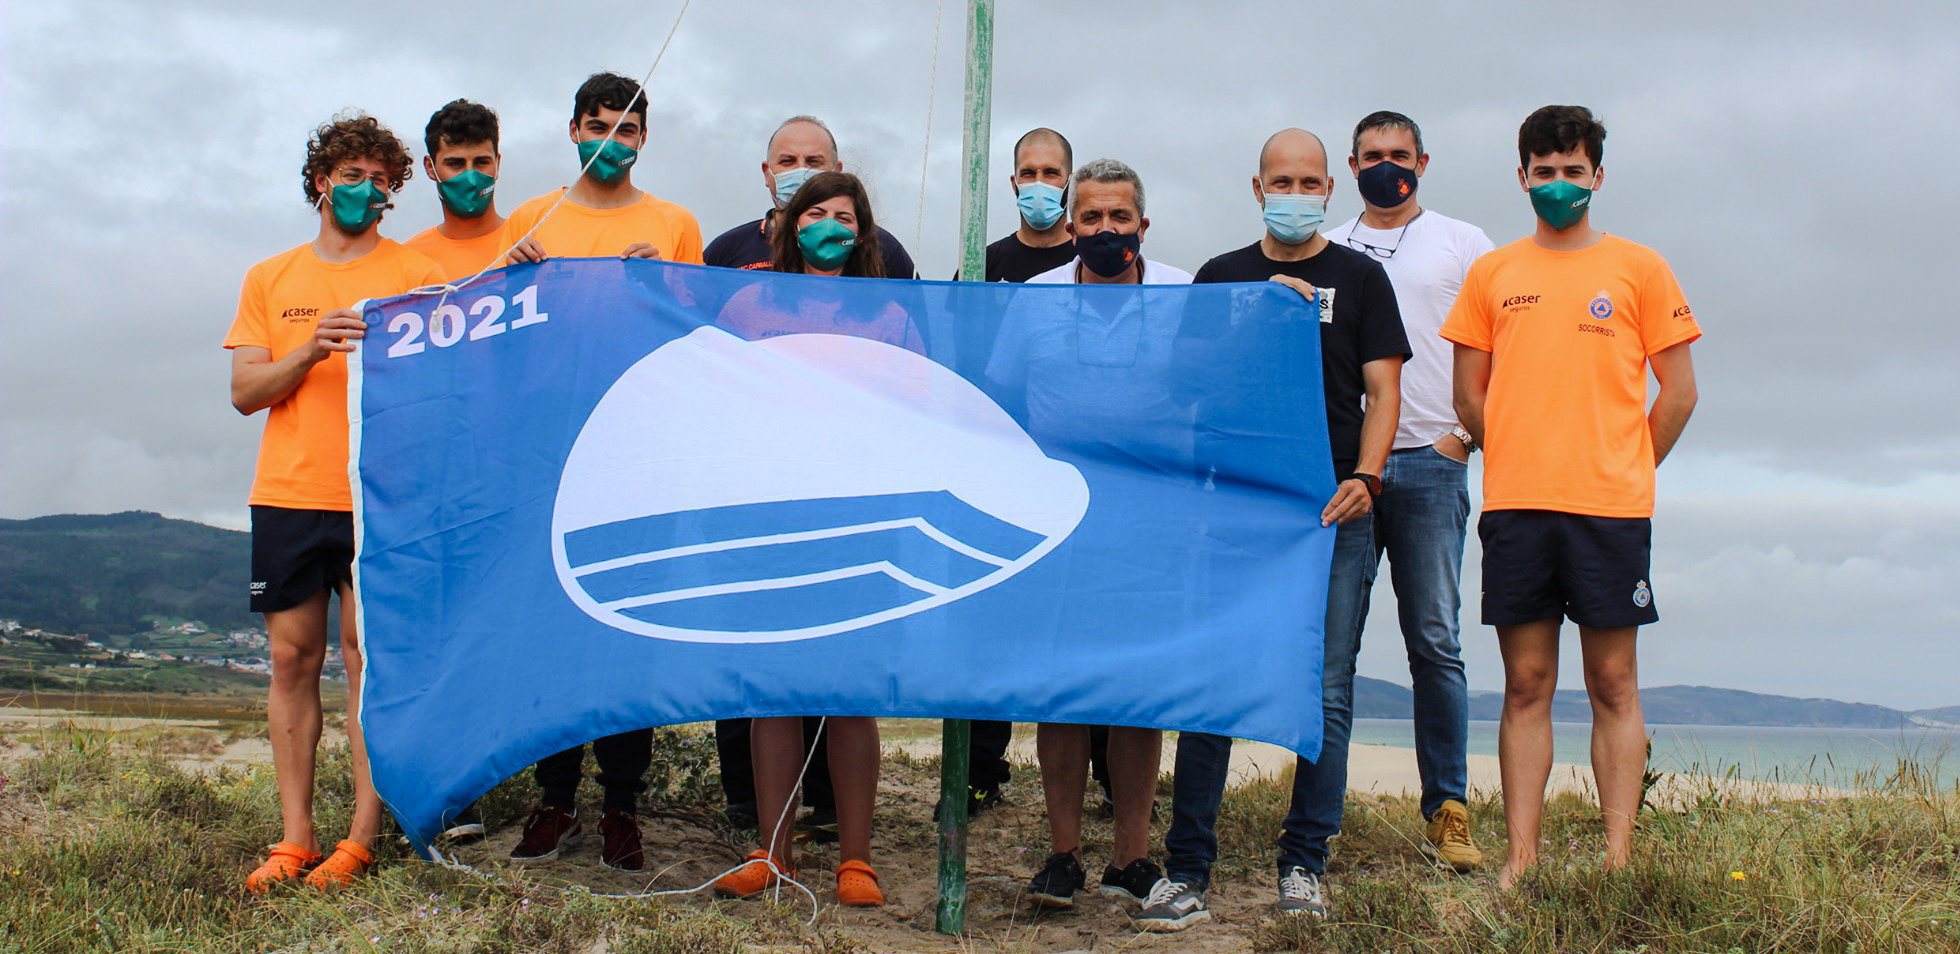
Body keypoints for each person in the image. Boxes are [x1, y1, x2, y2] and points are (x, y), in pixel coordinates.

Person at [1138, 128, 1408, 930]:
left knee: (1325, 691)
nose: (1295, 193)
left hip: (1331, 513)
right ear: (1257, 189)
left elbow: (1383, 394)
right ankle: (1187, 869)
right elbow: (1186, 384)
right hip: (1236, 509)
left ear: (1332, 186)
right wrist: (1252, 320)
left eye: (1309, 181)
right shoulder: (1222, 278)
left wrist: (1367, 476)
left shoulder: (1361, 278)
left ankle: (1304, 864)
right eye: (1280, 181)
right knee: (1214, 686)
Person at [1442, 105, 1699, 889]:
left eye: (1573, 172)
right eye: (1544, 173)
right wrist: (1523, 450)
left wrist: (1625, 466)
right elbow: (1466, 397)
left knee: (1613, 683)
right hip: (1518, 505)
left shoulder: (1641, 269)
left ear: (1597, 176)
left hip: (1612, 511)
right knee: (1526, 685)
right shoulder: (1493, 273)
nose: (1559, 185)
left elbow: (1679, 394)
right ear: (1522, 177)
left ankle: (1618, 860)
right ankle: (1522, 858)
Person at [227, 114, 444, 892]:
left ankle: (360, 837)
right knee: (292, 659)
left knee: (365, 664)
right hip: (288, 493)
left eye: (381, 180)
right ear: (320, 180)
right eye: (351, 175)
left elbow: (443, 392)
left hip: (379, 497)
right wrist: (310, 347)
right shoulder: (270, 276)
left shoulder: (416, 273)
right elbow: (245, 392)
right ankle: (293, 837)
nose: (366, 190)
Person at [501, 72, 706, 873]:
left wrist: (667, 286)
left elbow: (698, 334)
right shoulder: (530, 218)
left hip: (641, 450)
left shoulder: (674, 222)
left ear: (645, 137)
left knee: (627, 621)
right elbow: (497, 337)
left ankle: (623, 807)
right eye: (597, 126)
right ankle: (554, 801)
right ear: (573, 131)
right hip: (548, 447)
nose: (610, 141)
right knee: (551, 626)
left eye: (626, 129)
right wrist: (508, 277)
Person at [992, 158, 1190, 912]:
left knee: (1138, 693)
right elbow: (1003, 403)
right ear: (1070, 226)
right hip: (1059, 521)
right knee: (1064, 690)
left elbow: (1220, 385)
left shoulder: (1183, 295)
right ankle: (1065, 854)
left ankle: (1133, 856)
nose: (1107, 231)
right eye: (1093, 218)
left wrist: (1279, 304)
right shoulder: (1034, 300)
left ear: (1143, 223)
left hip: (1150, 524)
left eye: (1121, 217)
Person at [710, 171, 901, 908]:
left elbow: (911, 405)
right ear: (789, 224)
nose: (828, 224)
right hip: (768, 513)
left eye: (843, 215)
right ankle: (773, 852)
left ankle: (857, 858)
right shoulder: (750, 301)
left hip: (858, 518)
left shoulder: (890, 309)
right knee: (772, 690)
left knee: (850, 691)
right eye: (814, 212)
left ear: (864, 232)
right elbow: (714, 389)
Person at [1319, 111, 1495, 873]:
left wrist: (1467, 437)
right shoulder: (1328, 246)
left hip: (1430, 460)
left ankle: (1448, 812)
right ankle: (1316, 819)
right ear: (1350, 165)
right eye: (1371, 156)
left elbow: (1500, 351)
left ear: (1422, 160)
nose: (1386, 166)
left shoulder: (1463, 243)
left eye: (1399, 155)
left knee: (1436, 642)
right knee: (1332, 651)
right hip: (1348, 472)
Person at [946, 125, 1079, 820]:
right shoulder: (983, 261)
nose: (1038, 184)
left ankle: (1106, 781)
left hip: (1076, 465)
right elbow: (956, 358)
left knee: (1081, 623)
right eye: (1027, 171)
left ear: (1070, 179)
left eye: (1051, 172)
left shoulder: (1097, 260)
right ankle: (980, 771)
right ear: (1010, 183)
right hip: (994, 463)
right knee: (988, 617)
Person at [702, 115, 918, 277]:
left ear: (836, 171)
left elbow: (920, 326)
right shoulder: (727, 251)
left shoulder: (883, 249)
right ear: (767, 173)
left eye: (814, 162)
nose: (802, 171)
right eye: (788, 162)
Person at [405, 99, 506, 282]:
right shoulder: (409, 259)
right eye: (455, 164)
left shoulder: (527, 244)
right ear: (430, 167)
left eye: (481, 162)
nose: (470, 178)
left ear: (497, 163)